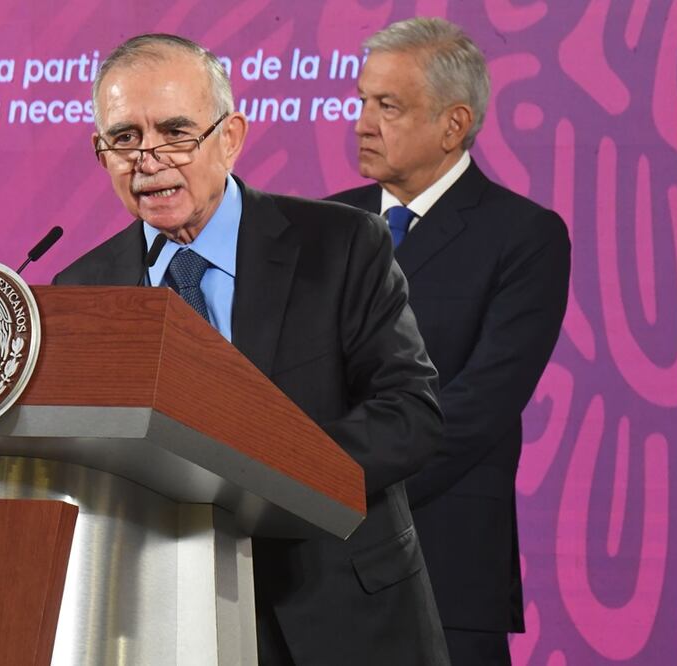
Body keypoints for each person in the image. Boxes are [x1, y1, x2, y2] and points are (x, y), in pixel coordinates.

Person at [54, 33, 450, 665]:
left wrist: (258, 473)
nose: (148, 159)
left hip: (344, 615)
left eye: (176, 132)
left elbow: (409, 415)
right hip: (161, 624)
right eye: (124, 138)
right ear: (101, 154)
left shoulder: (342, 245)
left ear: (231, 137)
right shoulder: (81, 291)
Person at [327, 18, 571, 666]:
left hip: (442, 561)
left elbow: (478, 406)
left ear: (453, 124)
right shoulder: (323, 226)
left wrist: (333, 483)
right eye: (362, 100)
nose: (362, 123)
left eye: (387, 106)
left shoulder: (523, 237)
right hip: (313, 568)